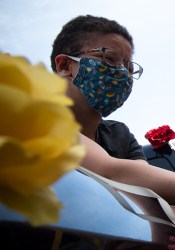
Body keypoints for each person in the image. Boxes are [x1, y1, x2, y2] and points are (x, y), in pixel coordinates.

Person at [51, 15, 145, 160]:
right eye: (109, 58)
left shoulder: (120, 135)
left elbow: (141, 177)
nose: (123, 73)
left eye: (130, 69)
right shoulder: (37, 121)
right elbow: (117, 173)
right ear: (64, 65)